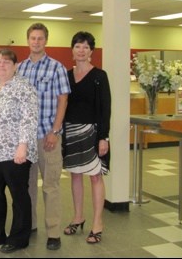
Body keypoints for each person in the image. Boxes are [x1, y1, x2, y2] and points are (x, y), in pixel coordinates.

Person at [0, 48, 38, 254]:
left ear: (15, 66)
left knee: (19, 196)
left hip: (14, 152)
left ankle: (19, 238)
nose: (1, 65)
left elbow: (29, 118)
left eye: (6, 62)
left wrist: (23, 146)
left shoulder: (23, 87)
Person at [17, 22, 71, 251]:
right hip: (25, 139)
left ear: (45, 41)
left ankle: (54, 232)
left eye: (40, 38)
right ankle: (29, 225)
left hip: (48, 137)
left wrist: (55, 131)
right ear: (28, 40)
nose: (36, 42)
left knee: (50, 186)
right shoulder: (19, 68)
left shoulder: (57, 67)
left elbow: (63, 101)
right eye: (33, 38)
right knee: (26, 186)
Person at [62, 31, 111, 244]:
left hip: (92, 132)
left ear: (91, 51)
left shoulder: (100, 76)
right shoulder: (65, 75)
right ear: (72, 50)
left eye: (85, 47)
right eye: (77, 46)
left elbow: (105, 109)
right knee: (75, 175)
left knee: (95, 176)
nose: (81, 50)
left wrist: (103, 137)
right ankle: (78, 217)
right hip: (71, 132)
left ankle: (97, 223)